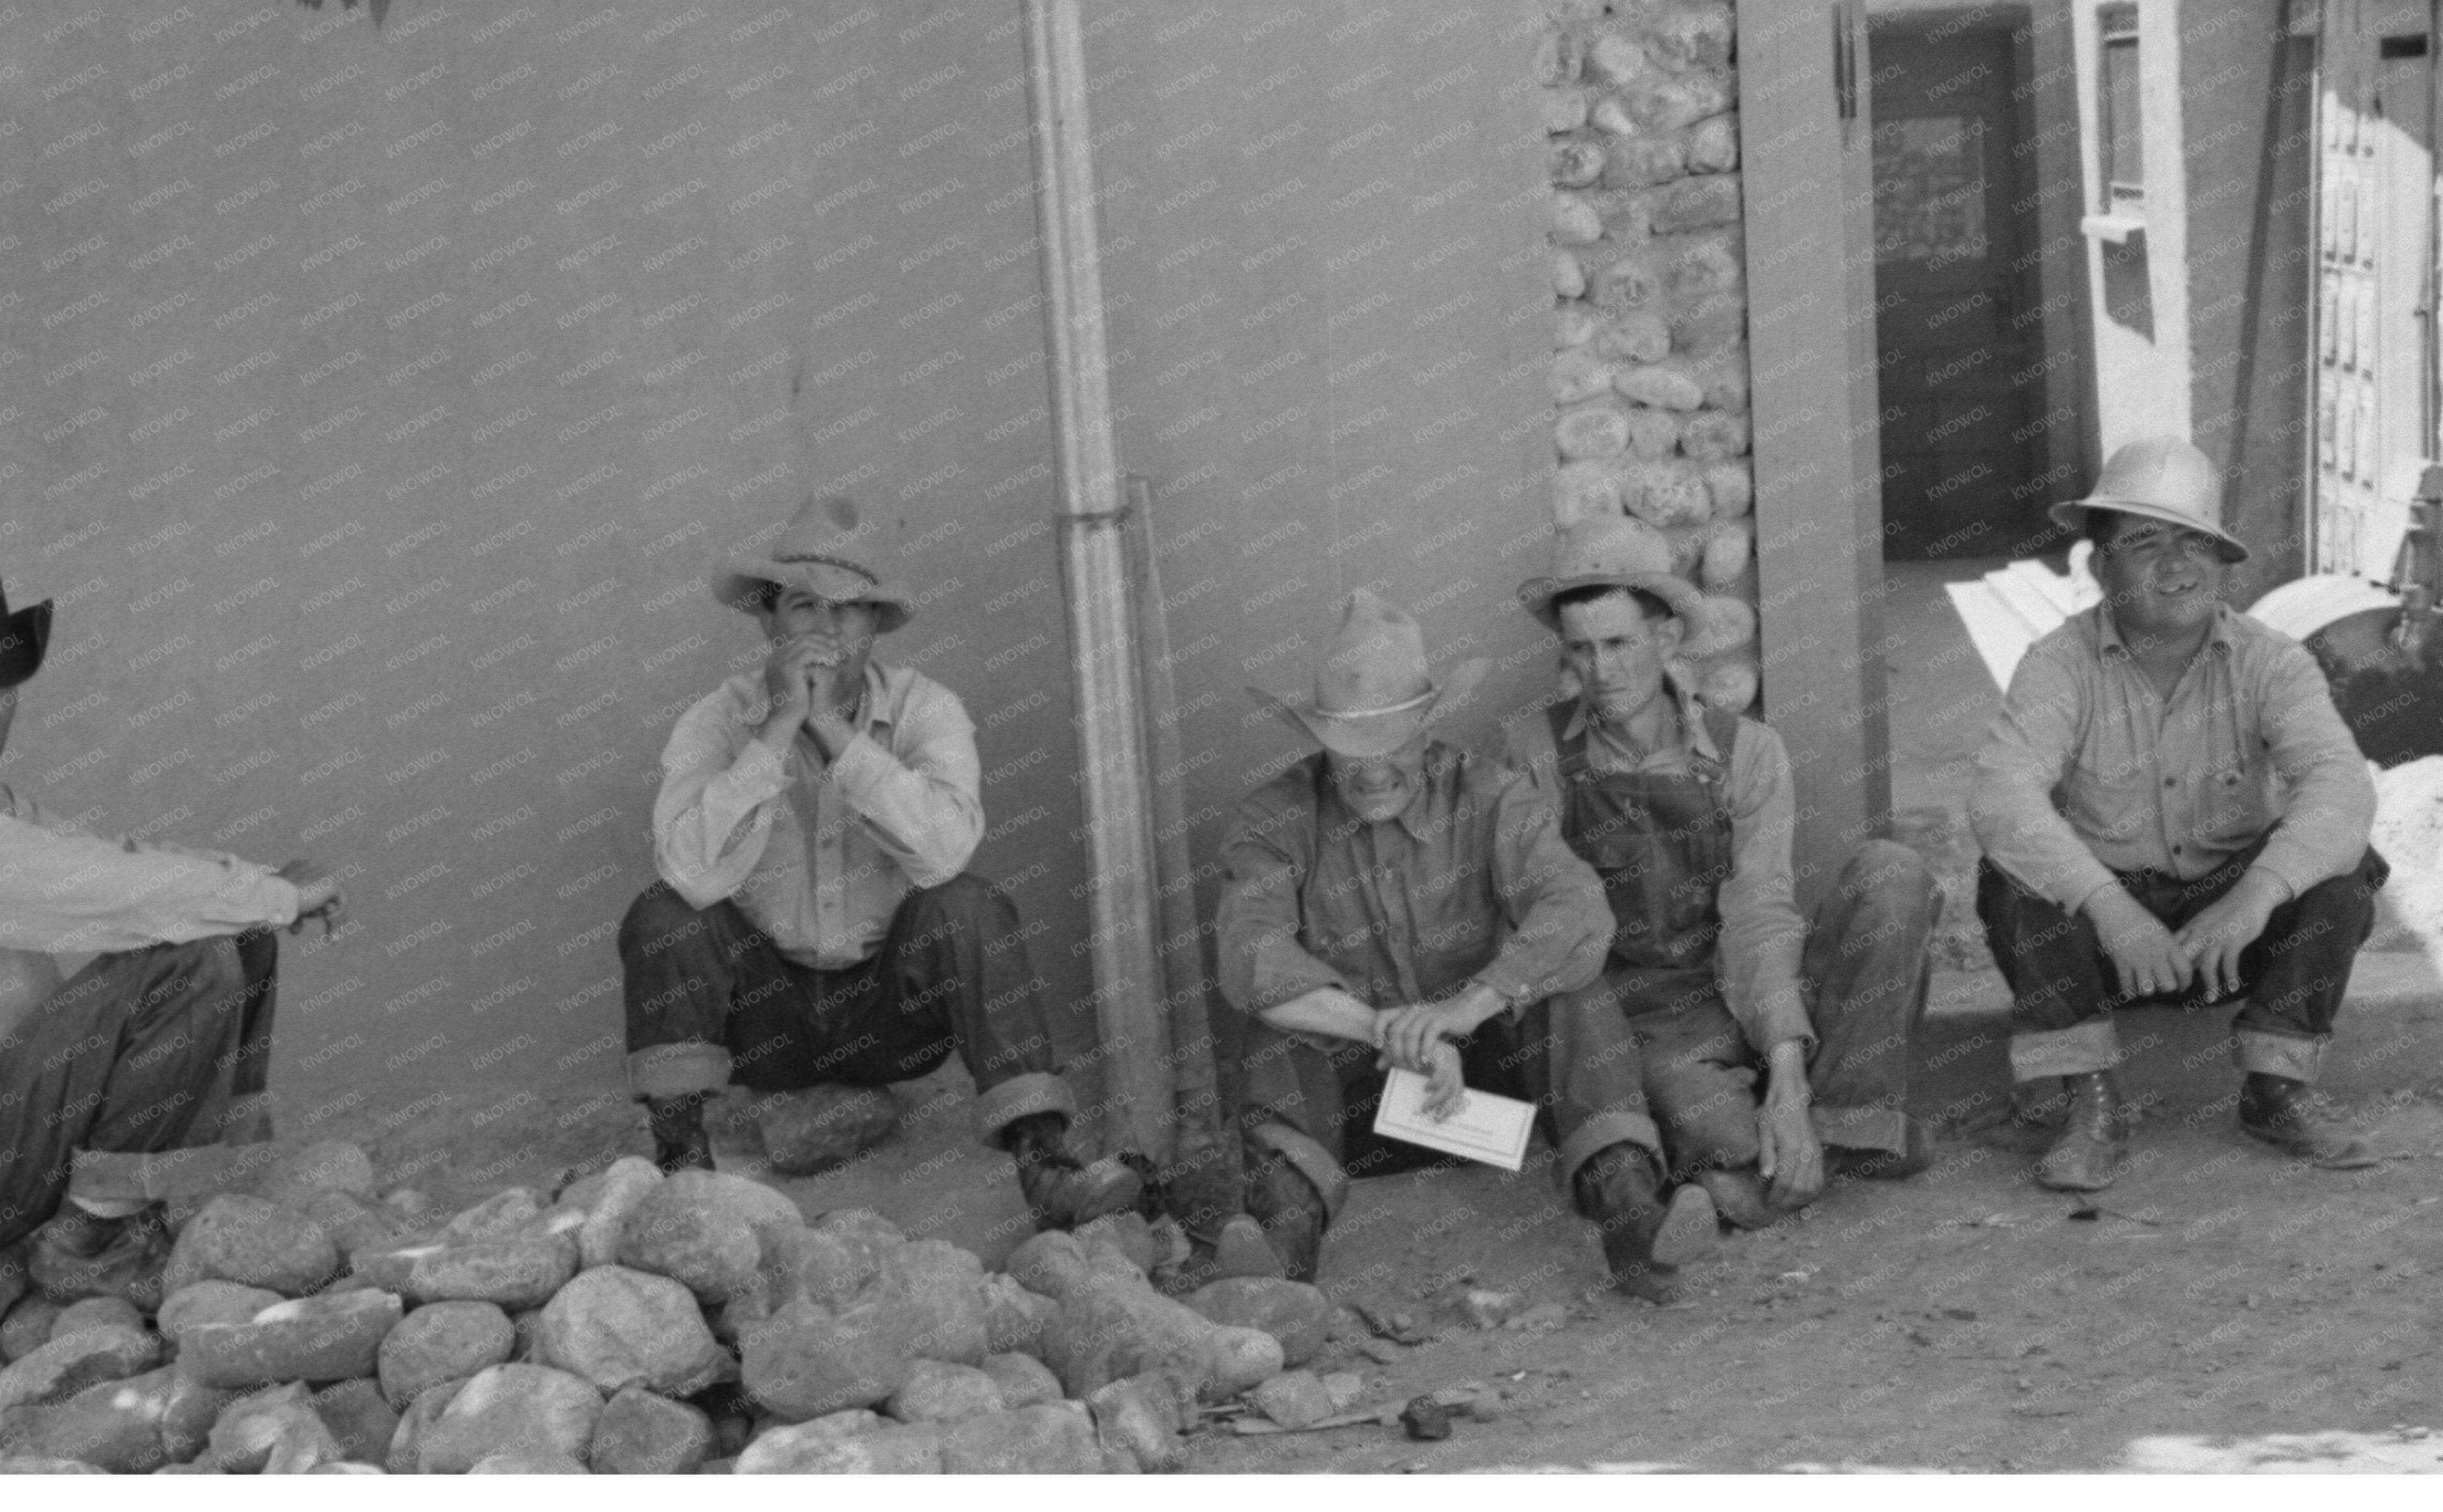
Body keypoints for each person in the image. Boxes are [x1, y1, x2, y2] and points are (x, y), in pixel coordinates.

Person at [0, 528, 340, 1287]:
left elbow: (113, 858)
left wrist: (259, 885)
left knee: (233, 933)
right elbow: (95, 891)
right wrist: (269, 895)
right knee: (193, 955)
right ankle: (89, 1245)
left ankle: (192, 1195)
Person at [620, 490, 1137, 1231]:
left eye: (849, 610)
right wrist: (776, 733)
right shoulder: (716, 719)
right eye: (802, 607)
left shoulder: (928, 709)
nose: (825, 631)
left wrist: (831, 730)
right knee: (663, 914)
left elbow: (942, 854)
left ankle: (1045, 1163)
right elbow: (690, 873)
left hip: (892, 1013)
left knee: (970, 904)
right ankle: (680, 1172)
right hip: (764, 1019)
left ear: (874, 626)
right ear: (767, 620)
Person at [1212, 589, 1708, 1299]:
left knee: (1572, 991)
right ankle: (1284, 1249)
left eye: (1395, 746)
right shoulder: (1274, 816)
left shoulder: (1489, 794)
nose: (1375, 770)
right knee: (1272, 1028)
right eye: (1352, 753)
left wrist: (1464, 1011)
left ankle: (1630, 1215)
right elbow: (1251, 954)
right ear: (1320, 743)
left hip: (1483, 1087)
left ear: (1428, 730)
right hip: (1350, 1102)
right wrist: (1391, 1030)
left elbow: (1575, 910)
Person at [1504, 519, 1939, 1239]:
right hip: (1641, 1023)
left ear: (1667, 638)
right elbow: (1546, 923)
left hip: (1751, 989)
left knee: (1893, 874)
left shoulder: (1748, 750)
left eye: (1619, 644)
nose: (1600, 671)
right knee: (1725, 1132)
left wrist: (1786, 1073)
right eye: (1579, 649)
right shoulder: (1533, 752)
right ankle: (1832, 1142)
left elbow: (1759, 915)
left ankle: (1811, 1126)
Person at [1970, 437, 2385, 1189]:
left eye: (2195, 541)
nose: (2175, 564)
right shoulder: (2056, 664)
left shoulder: (2272, 661)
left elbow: (2340, 786)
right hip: (2104, 943)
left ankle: (2275, 1086)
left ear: (2223, 562)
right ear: (2100, 566)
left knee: (2341, 864)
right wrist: (2108, 908)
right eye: (2143, 542)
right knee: (2012, 875)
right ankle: (2085, 1098)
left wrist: (2254, 894)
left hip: (2227, 932)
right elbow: (2001, 797)